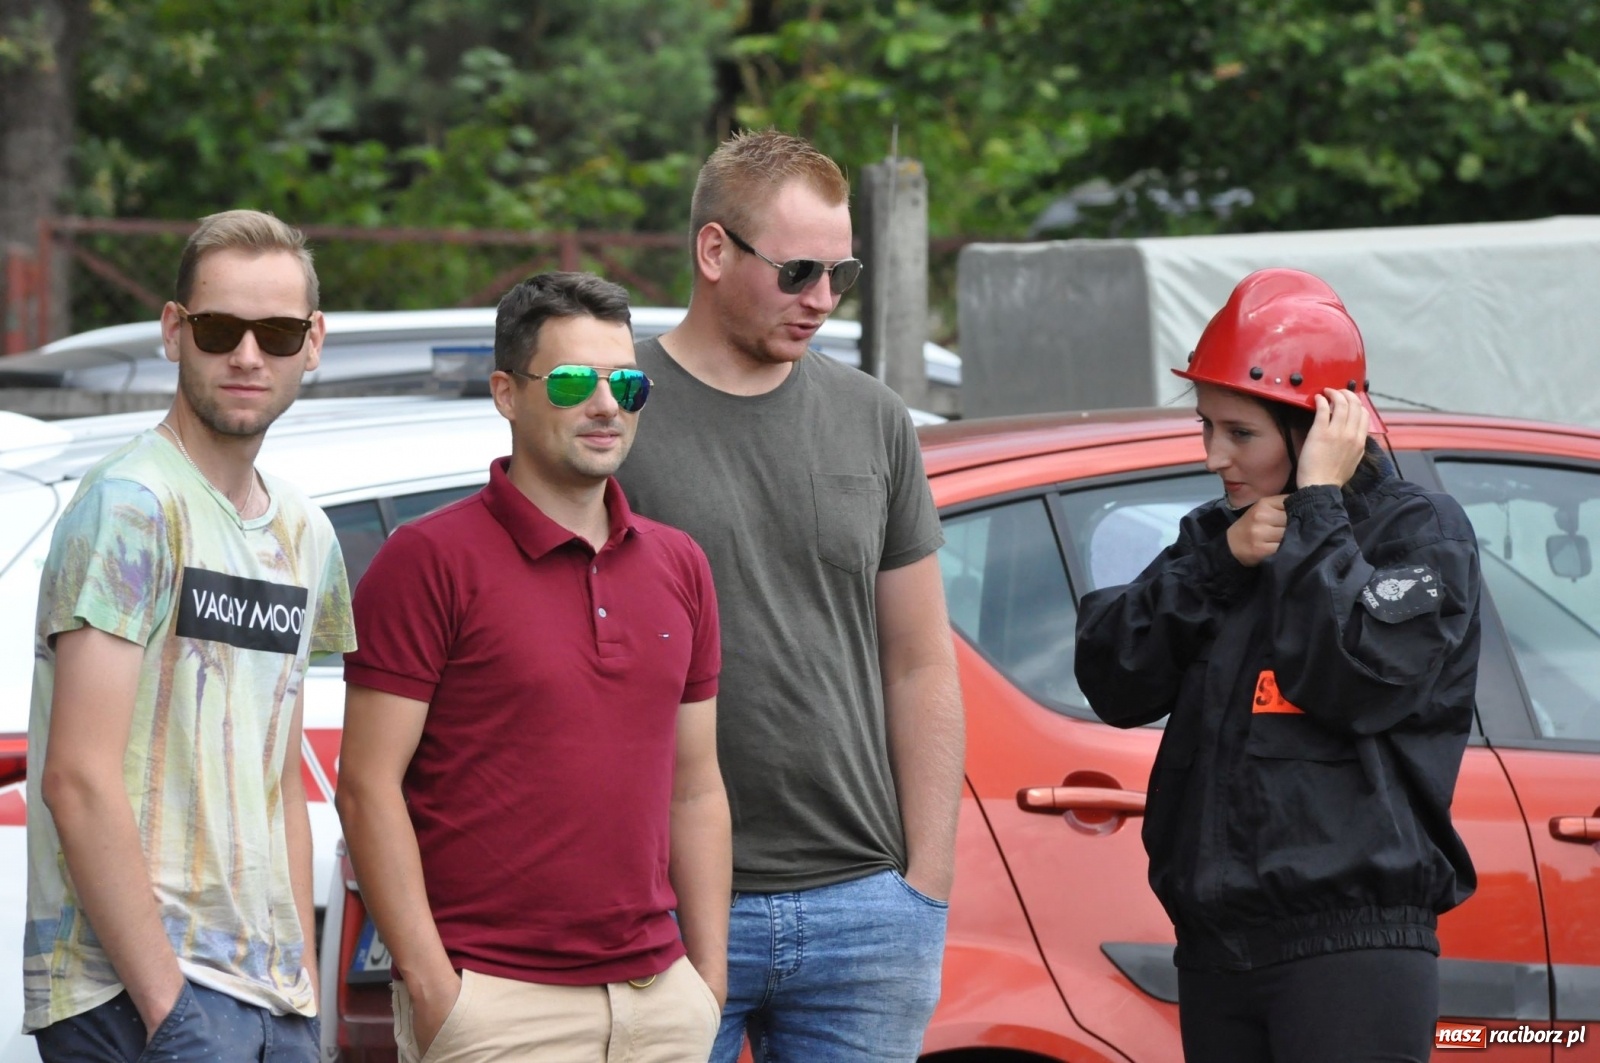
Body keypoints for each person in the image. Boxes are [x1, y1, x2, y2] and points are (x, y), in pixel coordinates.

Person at [614, 129, 965, 1063]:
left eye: (840, 273)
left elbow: (920, 656)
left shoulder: (874, 418)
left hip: (864, 909)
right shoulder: (617, 410)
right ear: (715, 250)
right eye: (800, 269)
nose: (821, 298)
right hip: (665, 901)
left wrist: (923, 886)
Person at [1075, 268, 1481, 1063]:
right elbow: (1114, 676)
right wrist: (1216, 565)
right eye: (1207, 426)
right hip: (1218, 948)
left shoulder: (1416, 533)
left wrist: (1319, 511)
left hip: (1349, 948)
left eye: (1241, 432)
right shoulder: (1216, 538)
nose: (1214, 455)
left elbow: (1353, 678)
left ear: (1321, 425)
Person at [336, 271, 728, 1063]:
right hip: (497, 1010)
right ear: (506, 394)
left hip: (662, 1005)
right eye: (577, 380)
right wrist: (436, 987)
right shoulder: (428, 560)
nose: (606, 405)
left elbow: (697, 785)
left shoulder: (680, 565)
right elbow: (367, 784)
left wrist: (708, 982)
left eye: (627, 382)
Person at [23, 209, 352, 1061]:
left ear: (313, 343)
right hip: (136, 996)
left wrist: (301, 992)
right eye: (219, 328)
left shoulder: (305, 534)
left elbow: (282, 782)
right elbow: (77, 777)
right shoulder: (130, 505)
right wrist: (170, 1008)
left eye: (277, 332)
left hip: (268, 999)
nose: (248, 355)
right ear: (175, 331)